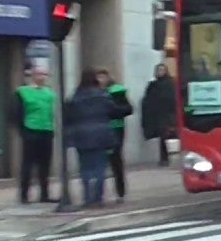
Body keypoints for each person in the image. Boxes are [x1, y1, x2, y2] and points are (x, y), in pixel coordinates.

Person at [65, 69, 125, 208]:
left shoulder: (75, 98)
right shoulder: (102, 95)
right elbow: (113, 111)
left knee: (85, 168)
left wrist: (69, 137)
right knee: (100, 167)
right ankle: (97, 197)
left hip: (81, 135)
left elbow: (68, 118)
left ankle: (87, 197)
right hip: (100, 135)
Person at [10, 66, 55, 204]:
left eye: (44, 74)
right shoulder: (22, 92)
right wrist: (22, 130)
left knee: (45, 165)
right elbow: (14, 112)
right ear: (33, 76)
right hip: (30, 130)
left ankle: (44, 194)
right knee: (28, 164)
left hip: (46, 129)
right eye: (39, 74)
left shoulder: (49, 93)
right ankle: (24, 195)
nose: (42, 77)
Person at [97, 68, 134, 202]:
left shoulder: (117, 91)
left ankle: (120, 191)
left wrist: (112, 111)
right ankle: (98, 194)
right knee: (99, 161)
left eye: (103, 77)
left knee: (116, 160)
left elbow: (128, 109)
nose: (101, 80)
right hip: (99, 129)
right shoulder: (94, 93)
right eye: (99, 78)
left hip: (116, 128)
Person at [141, 63, 177, 166]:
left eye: (162, 70)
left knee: (165, 135)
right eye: (158, 70)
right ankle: (164, 158)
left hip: (167, 114)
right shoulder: (153, 84)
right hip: (157, 114)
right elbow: (148, 99)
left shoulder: (170, 83)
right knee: (162, 136)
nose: (160, 72)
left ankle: (165, 157)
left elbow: (172, 99)